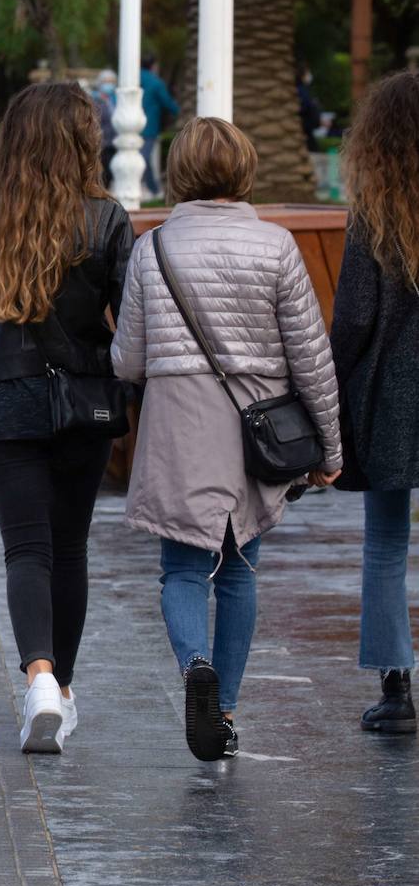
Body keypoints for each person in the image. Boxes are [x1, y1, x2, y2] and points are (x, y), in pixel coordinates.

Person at [111, 117, 342, 762]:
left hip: (179, 424)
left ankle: (195, 670)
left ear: (178, 173)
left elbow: (128, 360)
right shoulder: (276, 247)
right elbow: (310, 358)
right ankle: (228, 711)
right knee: (240, 569)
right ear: (245, 171)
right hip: (256, 426)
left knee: (182, 569)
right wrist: (330, 450)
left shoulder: (152, 250)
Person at [0, 82, 132, 754]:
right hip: (86, 403)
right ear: (83, 139)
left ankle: (38, 678)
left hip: (4, 400)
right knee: (69, 546)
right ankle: (62, 690)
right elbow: (131, 321)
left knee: (25, 547)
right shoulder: (105, 219)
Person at [329, 72, 419, 733]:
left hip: (393, 395)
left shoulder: (376, 213)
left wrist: (326, 385)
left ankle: (396, 689)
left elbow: (355, 317)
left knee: (386, 542)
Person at [140, 53, 179, 199]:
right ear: (153, 66)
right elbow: (168, 103)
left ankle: (152, 188)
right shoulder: (156, 83)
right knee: (144, 158)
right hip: (149, 127)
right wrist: (179, 111)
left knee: (143, 158)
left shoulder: (131, 77)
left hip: (129, 125)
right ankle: (154, 190)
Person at [93, 69, 118, 186]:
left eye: (111, 81)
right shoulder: (94, 100)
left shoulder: (116, 99)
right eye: (106, 81)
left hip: (114, 142)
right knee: (103, 173)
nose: (109, 84)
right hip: (101, 142)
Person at [298, 65, 323, 153]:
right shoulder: (301, 90)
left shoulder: (304, 89)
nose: (309, 75)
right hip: (305, 128)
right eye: (308, 73)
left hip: (307, 129)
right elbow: (303, 108)